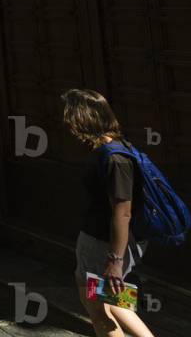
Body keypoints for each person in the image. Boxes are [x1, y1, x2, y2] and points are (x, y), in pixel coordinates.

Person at [62, 89, 155, 337]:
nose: (66, 122)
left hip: (103, 242)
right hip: (101, 239)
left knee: (98, 308)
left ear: (81, 118)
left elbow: (122, 212)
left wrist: (115, 261)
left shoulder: (115, 158)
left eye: (69, 115)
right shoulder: (115, 149)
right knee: (112, 300)